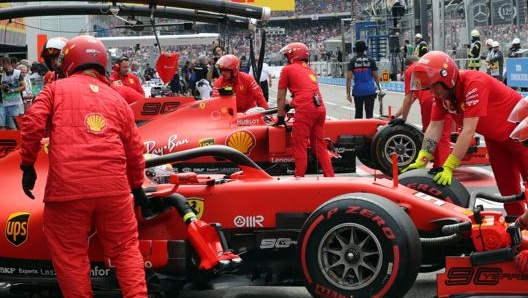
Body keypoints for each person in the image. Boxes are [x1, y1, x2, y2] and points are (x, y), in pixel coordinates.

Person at [19, 35, 149, 298]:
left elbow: (32, 126)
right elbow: (135, 150)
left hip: (68, 190)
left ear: (69, 61)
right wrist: (137, 186)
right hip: (114, 191)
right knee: (126, 251)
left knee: (71, 257)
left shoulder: (55, 90)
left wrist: (28, 165)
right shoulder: (116, 99)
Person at [402, 51, 528, 217]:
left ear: (447, 79)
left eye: (433, 86)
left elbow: (468, 131)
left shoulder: (474, 84)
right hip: (496, 138)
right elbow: (434, 127)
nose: (431, 91)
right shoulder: (443, 95)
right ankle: (519, 231)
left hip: (522, 135)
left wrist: (449, 166)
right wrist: (422, 158)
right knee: (507, 190)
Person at [276, 42, 334, 178]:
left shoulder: (287, 70)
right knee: (319, 146)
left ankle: (299, 177)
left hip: (305, 110)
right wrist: (291, 103)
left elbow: (280, 97)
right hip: (319, 108)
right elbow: (305, 92)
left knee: (299, 144)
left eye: (287, 56)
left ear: (292, 55)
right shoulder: (309, 70)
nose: (286, 58)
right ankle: (330, 177)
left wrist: (280, 116)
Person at [391, 56, 452, 167]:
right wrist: (395, 116)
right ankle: (439, 166)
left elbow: (408, 99)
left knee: (432, 135)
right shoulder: (427, 67)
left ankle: (439, 167)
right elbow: (411, 99)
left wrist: (403, 119)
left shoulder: (412, 70)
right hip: (443, 98)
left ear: (408, 65)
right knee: (443, 136)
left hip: (428, 103)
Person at [346, 40, 382, 119]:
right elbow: (376, 77)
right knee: (369, 115)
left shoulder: (352, 62)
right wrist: (380, 89)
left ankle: (358, 131)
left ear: (355, 50)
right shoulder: (371, 60)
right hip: (370, 90)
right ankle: (369, 131)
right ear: (365, 49)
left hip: (358, 91)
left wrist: (348, 93)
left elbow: (348, 78)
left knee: (358, 114)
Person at [0, 56, 26, 129]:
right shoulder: (2, 73)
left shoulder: (17, 73)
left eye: (2, 64)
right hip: (2, 102)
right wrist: (2, 87)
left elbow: (24, 87)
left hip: (13, 103)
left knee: (12, 126)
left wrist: (13, 90)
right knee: (2, 125)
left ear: (7, 63)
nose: (1, 66)